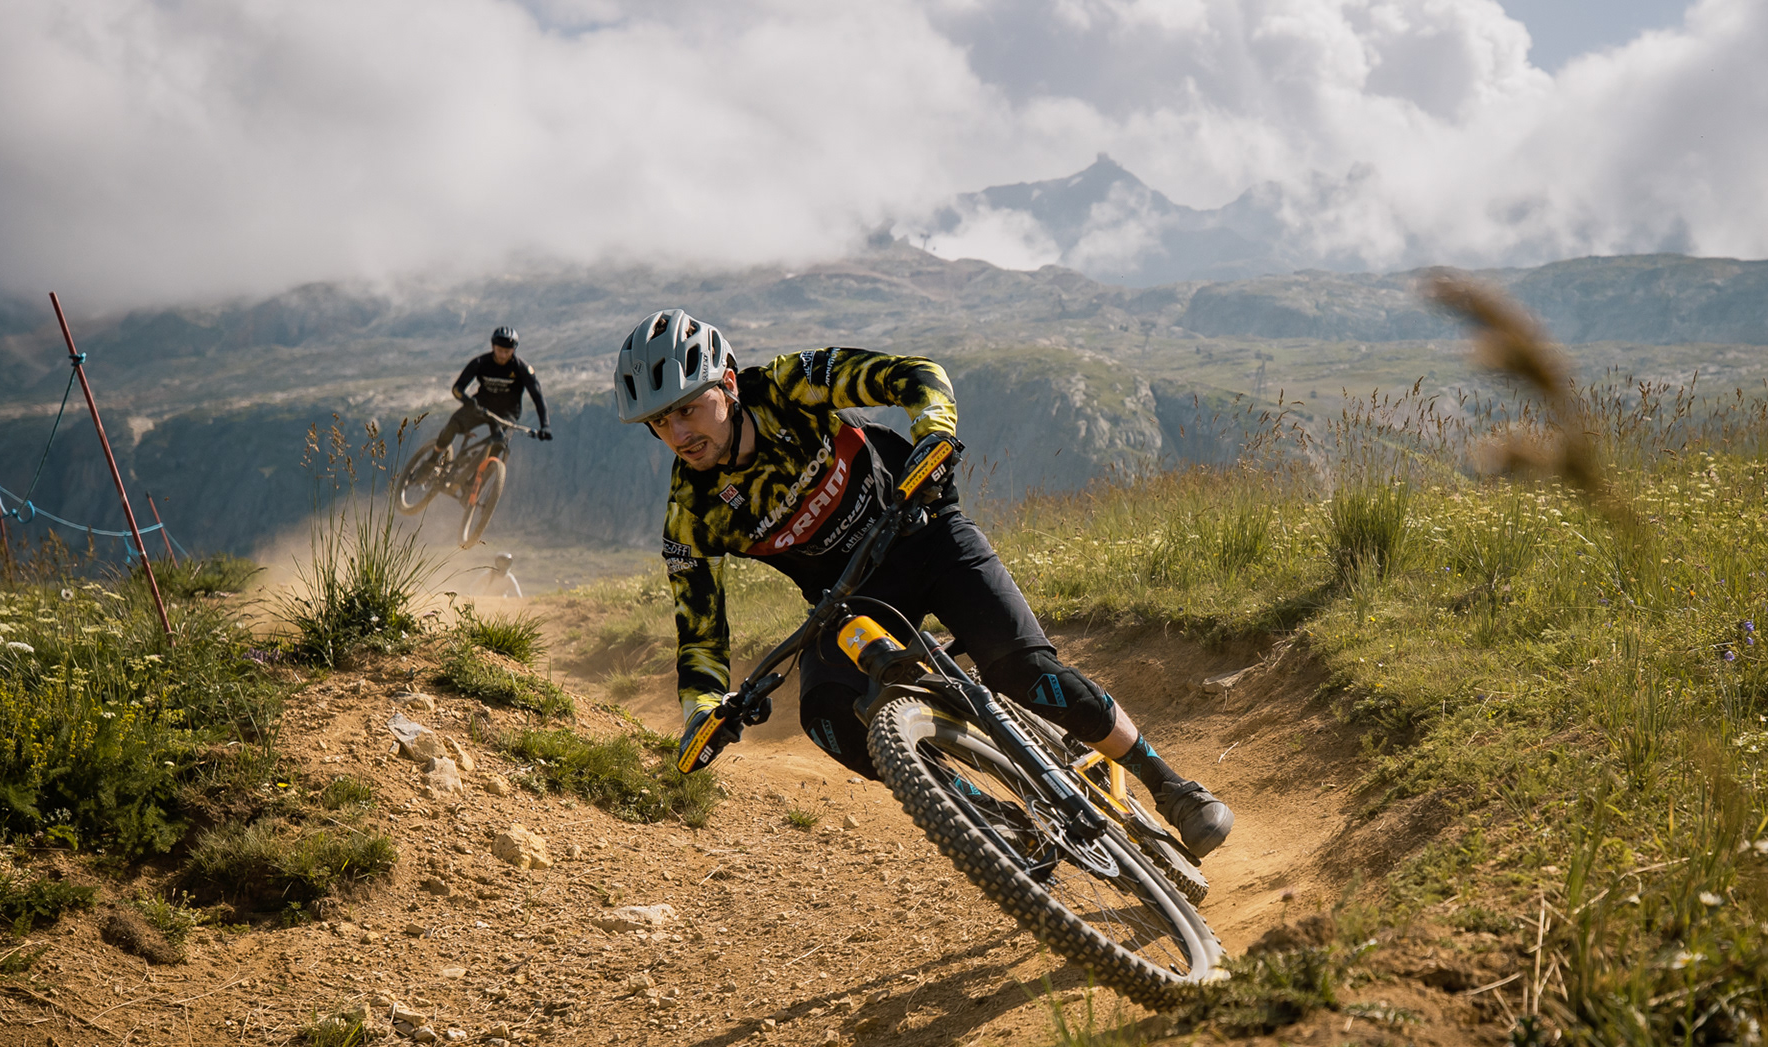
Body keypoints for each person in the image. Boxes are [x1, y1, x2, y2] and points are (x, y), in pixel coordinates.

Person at [614, 309, 1233, 857]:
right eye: (660, 424)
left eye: (687, 409)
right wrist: (704, 711)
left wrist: (932, 432)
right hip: (853, 604)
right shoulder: (690, 515)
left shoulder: (788, 384)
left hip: (925, 534)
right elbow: (700, 637)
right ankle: (987, 819)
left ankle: (1170, 785)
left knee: (1023, 671)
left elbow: (913, 375)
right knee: (827, 718)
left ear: (727, 384)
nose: (678, 435)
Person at [435, 326, 552, 453]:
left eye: (507, 351)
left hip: (508, 412)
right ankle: (432, 458)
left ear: (513, 350)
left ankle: (486, 464)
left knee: (499, 443)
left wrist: (545, 425)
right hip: (480, 407)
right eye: (499, 350)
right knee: (452, 427)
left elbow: (537, 397)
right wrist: (467, 401)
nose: (503, 355)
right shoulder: (480, 363)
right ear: (493, 347)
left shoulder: (521, 369)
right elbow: (457, 388)